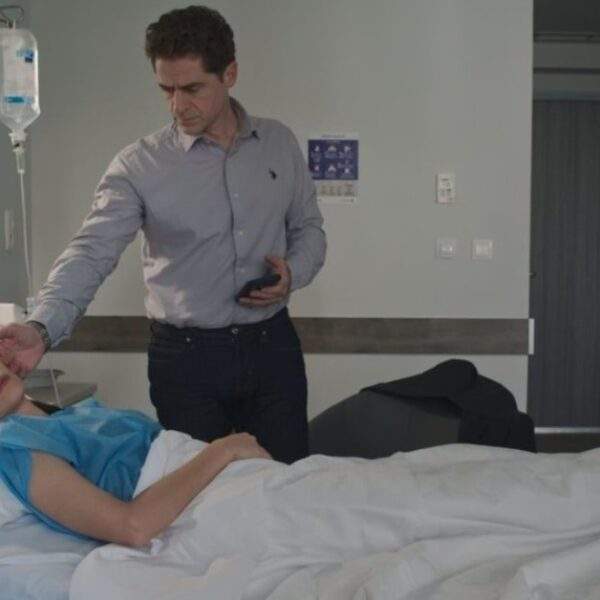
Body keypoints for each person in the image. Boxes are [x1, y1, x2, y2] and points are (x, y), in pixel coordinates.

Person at [0, 5, 326, 464]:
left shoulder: (279, 144)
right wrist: (41, 327)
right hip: (186, 360)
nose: (177, 105)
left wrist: (294, 273)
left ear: (229, 74)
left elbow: (309, 230)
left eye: (192, 89)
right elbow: (90, 253)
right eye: (166, 90)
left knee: (287, 480)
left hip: (271, 347)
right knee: (194, 494)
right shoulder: (140, 165)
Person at [0, 358, 272, 546]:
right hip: (202, 494)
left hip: (221, 477)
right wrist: (224, 449)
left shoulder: (60, 417)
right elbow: (132, 527)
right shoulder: (14, 448)